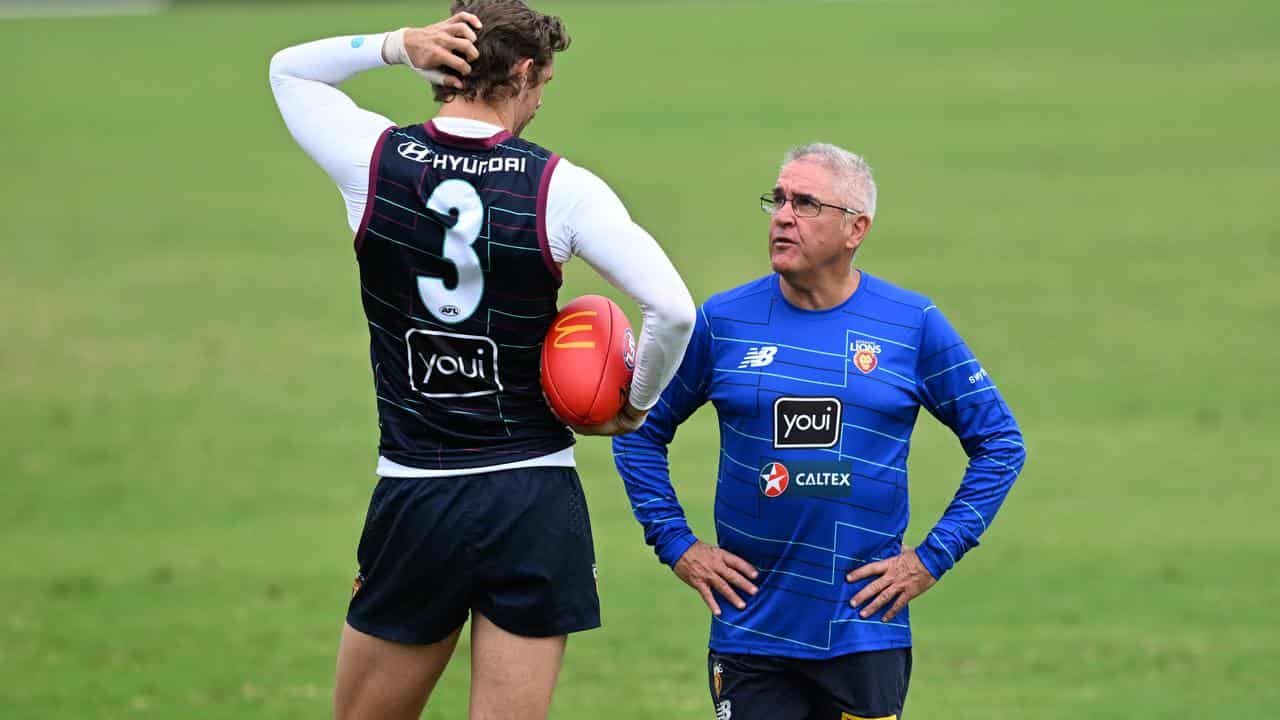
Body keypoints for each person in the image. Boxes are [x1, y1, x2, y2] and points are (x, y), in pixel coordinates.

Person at [268, 2, 696, 719]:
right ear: (523, 73)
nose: (539, 102)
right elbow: (675, 311)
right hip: (532, 498)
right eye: (544, 85)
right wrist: (636, 402)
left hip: (417, 490)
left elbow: (289, 71)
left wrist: (398, 46)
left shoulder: (373, 159)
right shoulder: (562, 188)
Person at [613, 143, 1026, 720]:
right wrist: (677, 544)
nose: (783, 215)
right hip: (751, 630)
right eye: (778, 199)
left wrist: (931, 558)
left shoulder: (911, 325)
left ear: (856, 228)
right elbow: (637, 429)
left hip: (864, 630)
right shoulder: (724, 322)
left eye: (805, 203)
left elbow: (1000, 444)